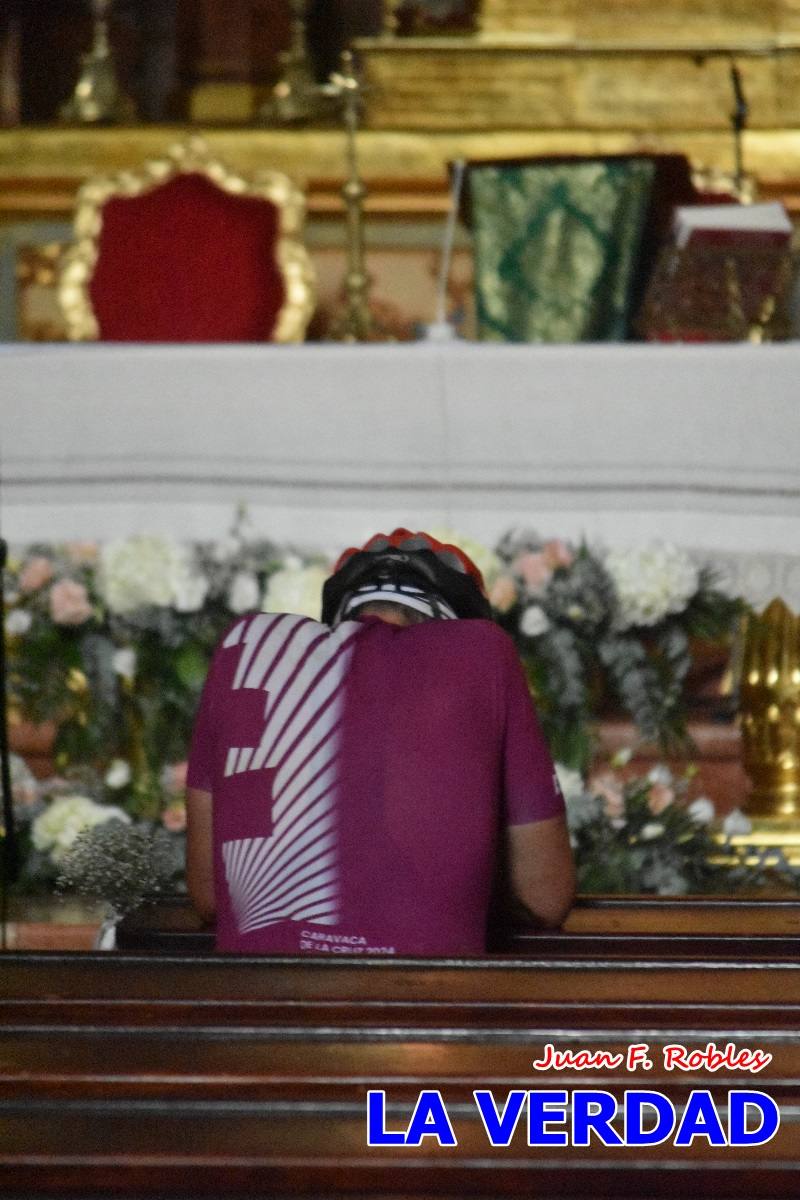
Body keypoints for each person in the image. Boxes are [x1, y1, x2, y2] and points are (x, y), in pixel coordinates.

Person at [186, 529, 574, 955]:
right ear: (456, 622)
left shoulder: (244, 646)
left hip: (258, 1000)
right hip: (425, 1004)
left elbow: (210, 898)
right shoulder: (483, 651)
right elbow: (545, 900)